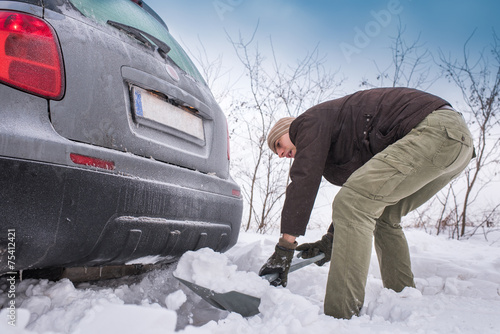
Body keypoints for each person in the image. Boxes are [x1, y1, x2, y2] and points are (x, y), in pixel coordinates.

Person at [258, 87, 474, 319]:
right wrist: (331, 239)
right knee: (385, 216)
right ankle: (402, 299)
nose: (280, 154)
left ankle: (339, 317)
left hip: (435, 132)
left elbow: (305, 179)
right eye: (276, 152)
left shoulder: (308, 122)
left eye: (278, 144)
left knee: (352, 204)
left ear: (289, 130)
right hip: (456, 144)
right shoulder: (342, 140)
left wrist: (285, 247)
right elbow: (365, 192)